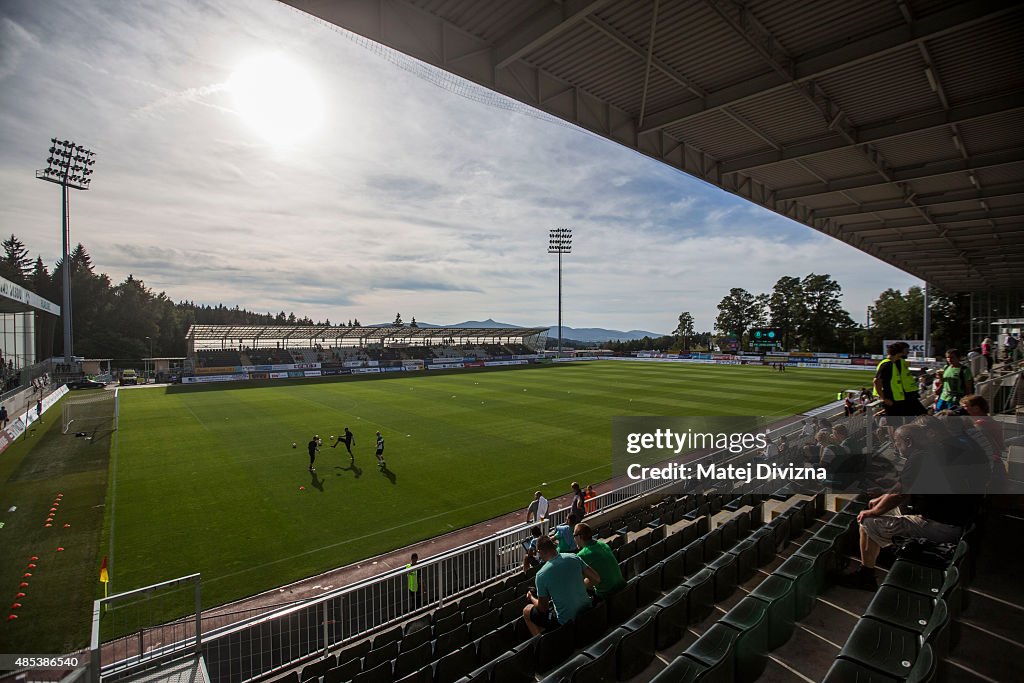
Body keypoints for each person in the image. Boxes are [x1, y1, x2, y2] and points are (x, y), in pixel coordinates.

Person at [839, 420, 986, 590]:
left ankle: (866, 575)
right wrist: (879, 501)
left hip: (941, 527)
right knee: (883, 510)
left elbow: (899, 494)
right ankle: (879, 549)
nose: (896, 447)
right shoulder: (936, 450)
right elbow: (901, 485)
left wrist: (874, 510)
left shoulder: (919, 457)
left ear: (909, 442)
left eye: (898, 443)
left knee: (867, 522)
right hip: (957, 521)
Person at [522, 536, 600, 635]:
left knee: (527, 610)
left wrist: (531, 597)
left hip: (566, 620)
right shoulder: (574, 557)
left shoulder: (541, 575)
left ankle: (544, 645)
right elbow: (596, 578)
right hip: (587, 608)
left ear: (540, 551)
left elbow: (543, 608)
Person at [574, 522, 625, 599]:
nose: (574, 539)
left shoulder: (582, 555)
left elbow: (581, 580)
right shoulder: (603, 544)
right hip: (622, 588)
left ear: (579, 537)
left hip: (607, 595)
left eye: (574, 535)